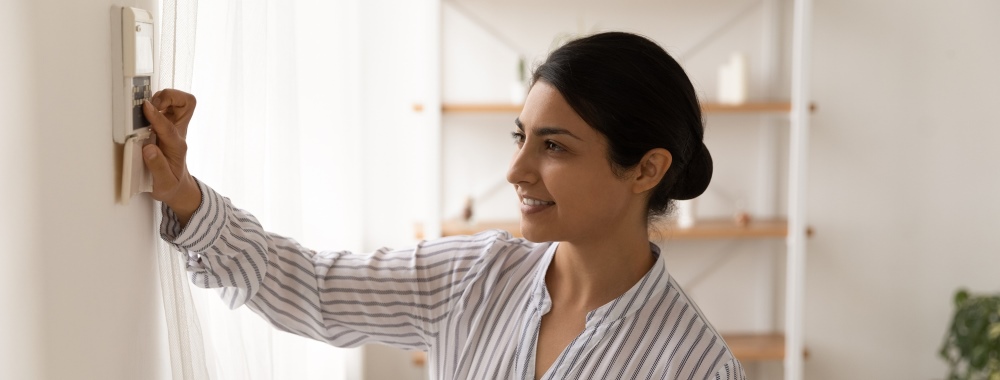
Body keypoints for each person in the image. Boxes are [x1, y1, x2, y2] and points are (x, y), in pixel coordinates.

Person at [143, 31, 747, 380]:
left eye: (555, 146)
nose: (516, 171)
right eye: (521, 138)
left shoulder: (695, 366)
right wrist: (184, 193)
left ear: (646, 168)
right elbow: (314, 289)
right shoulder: (473, 275)